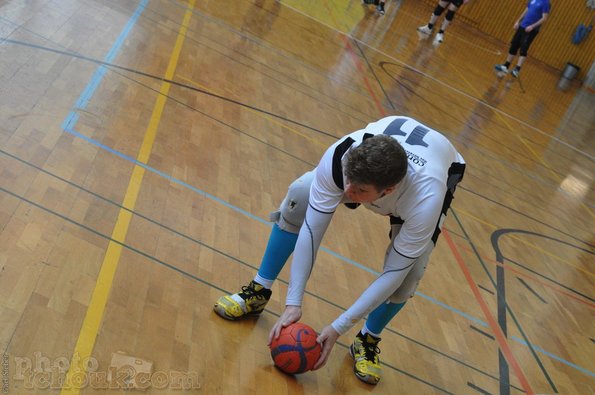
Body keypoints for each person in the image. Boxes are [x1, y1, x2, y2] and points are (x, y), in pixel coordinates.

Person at [214, 116, 466, 385]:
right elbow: (312, 231)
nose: (347, 191)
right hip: (380, 172)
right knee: (300, 195)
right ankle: (259, 289)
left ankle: (367, 338)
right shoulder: (342, 156)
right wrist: (293, 303)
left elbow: (393, 273)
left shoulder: (426, 199)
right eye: (348, 181)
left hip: (435, 173)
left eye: (358, 190)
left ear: (388, 190)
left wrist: (338, 329)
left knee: (409, 273)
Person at [495, 0, 551, 78]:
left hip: (531, 29)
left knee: (523, 48)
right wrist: (518, 21)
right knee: (514, 45)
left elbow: (544, 18)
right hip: (522, 26)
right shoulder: (532, 0)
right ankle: (506, 66)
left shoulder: (546, 3)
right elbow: (526, 10)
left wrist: (532, 26)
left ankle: (517, 69)